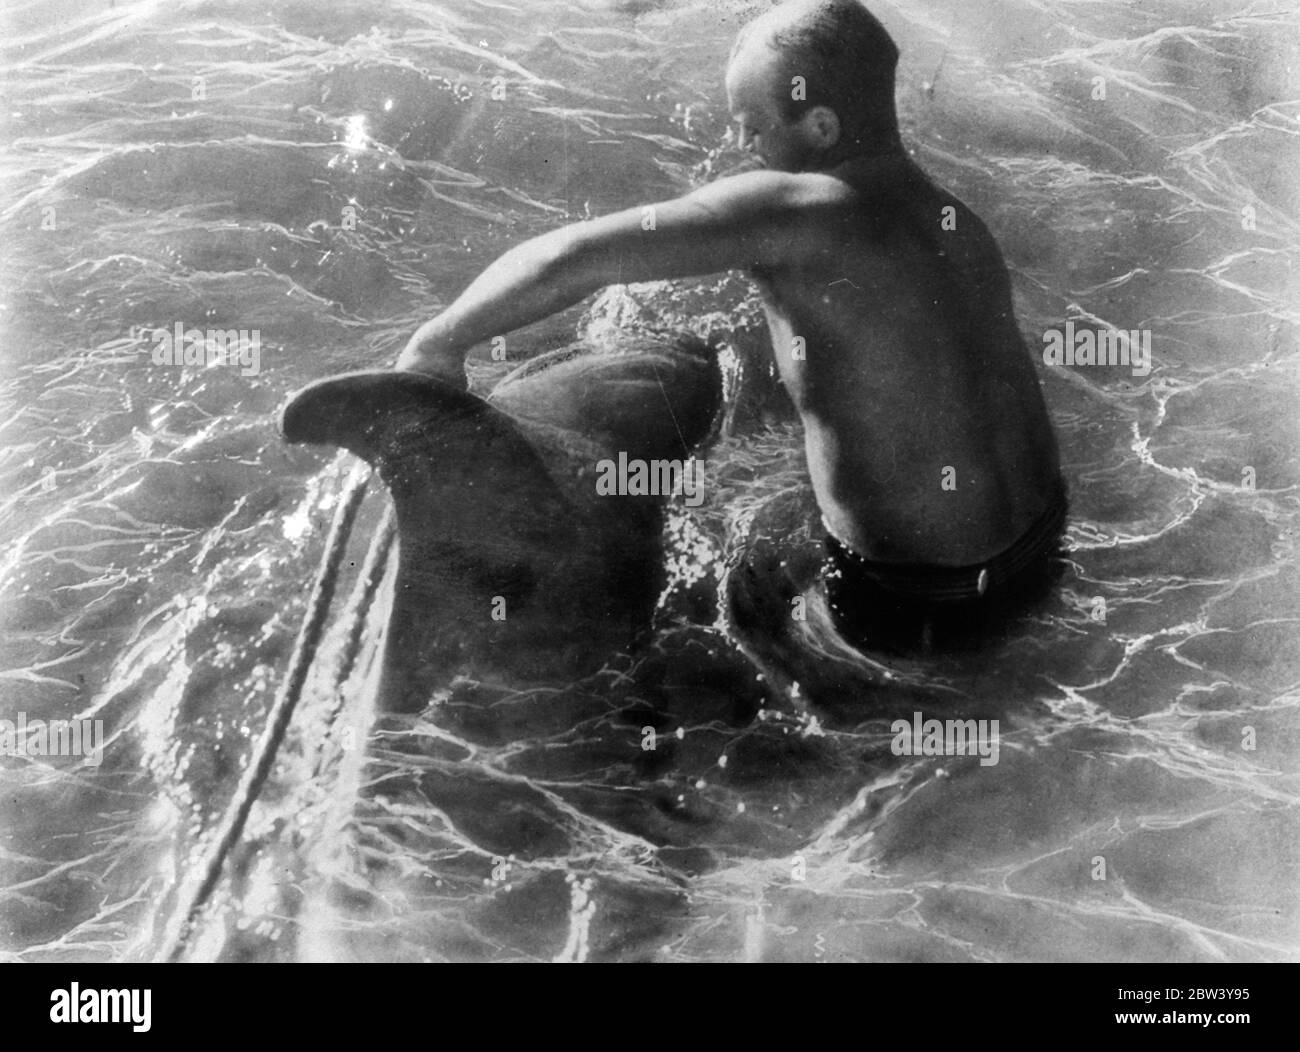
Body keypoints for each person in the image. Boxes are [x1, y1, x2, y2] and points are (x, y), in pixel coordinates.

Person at [395, 0, 1066, 656]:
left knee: (691, 649)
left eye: (751, 125)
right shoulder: (957, 224)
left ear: (822, 127)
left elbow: (573, 256)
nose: (739, 143)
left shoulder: (799, 209)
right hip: (1039, 556)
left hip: (911, 600)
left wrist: (441, 341)